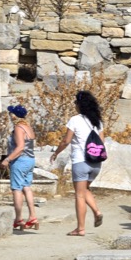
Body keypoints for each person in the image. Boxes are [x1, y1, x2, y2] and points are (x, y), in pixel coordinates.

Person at [53, 90, 106, 235]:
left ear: (80, 105)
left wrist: (56, 152)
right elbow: (101, 142)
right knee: (84, 190)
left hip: (80, 161)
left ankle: (80, 228)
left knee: (79, 195)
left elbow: (66, 141)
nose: (74, 105)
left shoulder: (75, 120)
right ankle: (97, 211)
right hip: (96, 162)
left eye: (75, 103)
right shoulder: (98, 122)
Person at [0, 104, 38, 231]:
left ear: (14, 115)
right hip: (30, 160)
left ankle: (19, 219)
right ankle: (33, 216)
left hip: (20, 161)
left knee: (16, 189)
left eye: (11, 113)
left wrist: (7, 159)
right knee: (26, 187)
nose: (10, 116)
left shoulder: (18, 128)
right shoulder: (28, 127)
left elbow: (20, 147)